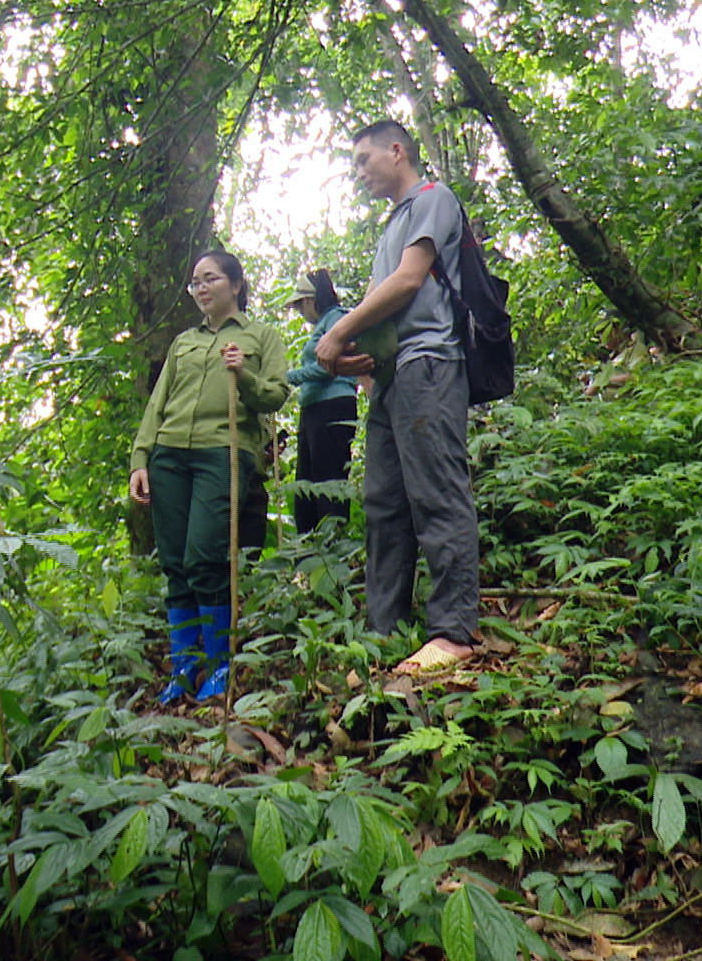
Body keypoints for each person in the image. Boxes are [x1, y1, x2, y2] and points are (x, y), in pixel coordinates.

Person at [314, 119, 481, 675]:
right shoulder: (392, 226)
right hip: (390, 379)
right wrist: (354, 358)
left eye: (363, 159)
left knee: (437, 492)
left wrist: (338, 330)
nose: (358, 172)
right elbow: (382, 307)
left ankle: (453, 633)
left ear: (396, 151)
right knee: (384, 506)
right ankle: (383, 635)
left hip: (429, 365)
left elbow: (409, 281)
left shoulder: (433, 199)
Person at [130, 251, 290, 703]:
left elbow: (276, 394)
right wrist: (140, 458)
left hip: (223, 452)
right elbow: (158, 402)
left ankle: (220, 664)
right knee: (175, 562)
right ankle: (184, 669)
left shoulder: (261, 336)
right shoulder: (184, 342)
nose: (200, 288)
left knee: (205, 555)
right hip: (169, 455)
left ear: (236, 284)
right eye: (195, 282)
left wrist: (244, 373)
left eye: (210, 279)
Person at [284, 270, 359, 533]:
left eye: (300, 304)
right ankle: (310, 547)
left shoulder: (337, 319)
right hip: (313, 409)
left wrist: (288, 377)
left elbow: (329, 365)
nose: (300, 311)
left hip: (333, 407)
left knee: (329, 483)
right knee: (307, 486)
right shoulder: (321, 326)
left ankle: (333, 543)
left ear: (312, 299)